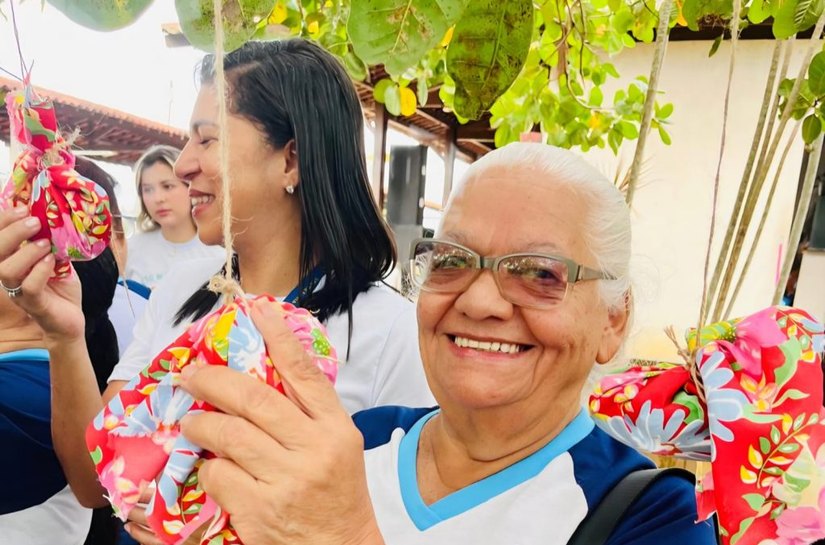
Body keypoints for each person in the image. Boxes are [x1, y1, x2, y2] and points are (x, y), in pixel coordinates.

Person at [166, 143, 718, 545]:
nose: (479, 302)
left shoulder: (655, 518)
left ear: (613, 322)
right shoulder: (360, 440)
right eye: (451, 261)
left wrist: (344, 536)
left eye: (539, 274)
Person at [0, 37, 433, 540]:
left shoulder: (390, 333)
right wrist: (65, 337)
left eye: (207, 140)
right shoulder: (185, 289)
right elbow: (95, 484)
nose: (183, 165)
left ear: (291, 160)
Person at [124, 145, 223, 290]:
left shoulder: (219, 252)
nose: (158, 198)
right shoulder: (130, 250)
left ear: (190, 187)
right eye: (148, 189)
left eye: (167, 186)